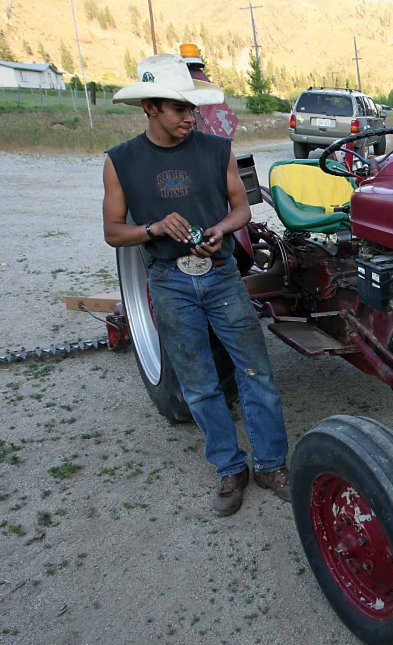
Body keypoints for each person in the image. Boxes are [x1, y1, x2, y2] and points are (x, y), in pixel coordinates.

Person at [102, 53, 290, 516]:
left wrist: (223, 231)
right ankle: (230, 468)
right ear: (149, 106)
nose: (190, 116)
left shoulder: (216, 149)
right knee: (200, 385)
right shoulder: (120, 162)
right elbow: (113, 231)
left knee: (256, 373)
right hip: (169, 282)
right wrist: (153, 229)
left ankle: (270, 464)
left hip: (223, 277)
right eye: (178, 107)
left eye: (192, 107)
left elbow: (242, 209)